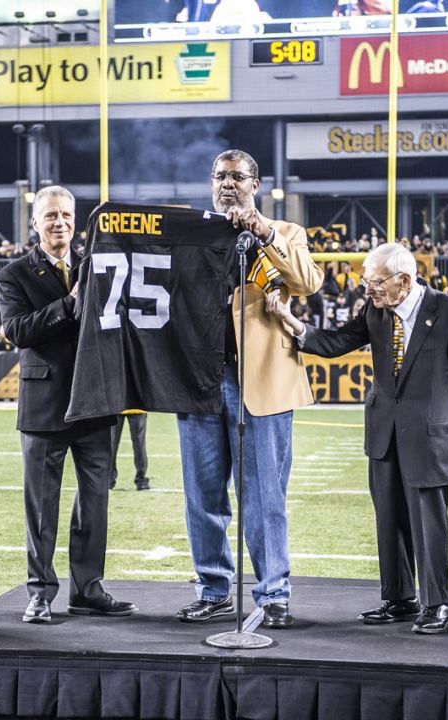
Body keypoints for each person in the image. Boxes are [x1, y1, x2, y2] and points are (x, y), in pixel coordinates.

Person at [267, 243, 448, 634]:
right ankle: (400, 599)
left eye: (374, 282)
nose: (367, 290)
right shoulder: (375, 310)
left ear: (404, 280)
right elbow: (337, 343)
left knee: (429, 526)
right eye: (365, 281)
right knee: (389, 520)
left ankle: (439, 605)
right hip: (385, 434)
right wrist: (292, 322)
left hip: (432, 437)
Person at [176, 149, 322, 629]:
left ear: (255, 184)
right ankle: (214, 590)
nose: (227, 184)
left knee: (263, 496)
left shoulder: (284, 233)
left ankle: (273, 593)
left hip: (260, 382)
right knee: (202, 494)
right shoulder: (195, 236)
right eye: (219, 176)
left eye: (238, 177)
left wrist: (261, 230)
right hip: (199, 381)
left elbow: (308, 280)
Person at [0, 185, 132, 624]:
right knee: (41, 509)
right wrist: (67, 305)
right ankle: (40, 593)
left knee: (95, 504)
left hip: (94, 400)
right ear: (35, 223)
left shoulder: (98, 265)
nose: (60, 222)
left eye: (67, 215)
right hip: (44, 405)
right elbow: (16, 330)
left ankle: (88, 590)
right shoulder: (15, 273)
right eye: (51, 215)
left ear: (77, 221)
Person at [109, 411, 151, 491]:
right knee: (139, 443)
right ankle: (141, 481)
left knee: (112, 442)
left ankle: (108, 480)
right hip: (136, 405)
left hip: (118, 406)